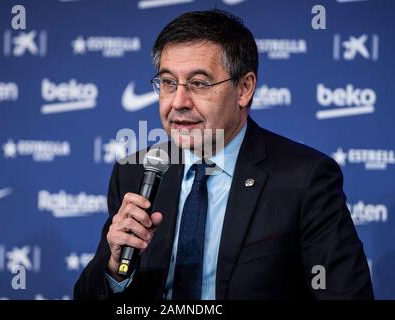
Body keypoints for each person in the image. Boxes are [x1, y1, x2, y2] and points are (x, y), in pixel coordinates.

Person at [74, 9, 373, 300]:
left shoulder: (305, 179)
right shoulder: (134, 173)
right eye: (168, 83)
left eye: (199, 83)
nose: (179, 101)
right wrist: (114, 268)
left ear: (244, 88)